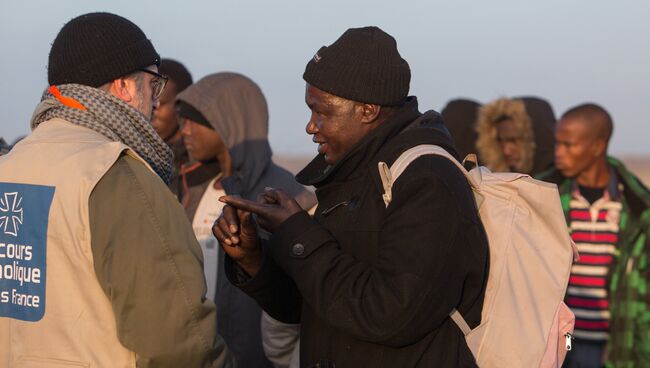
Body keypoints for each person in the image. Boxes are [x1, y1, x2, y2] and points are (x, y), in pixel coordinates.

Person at [213, 26, 489, 367]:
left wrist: (298, 232)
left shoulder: (427, 180)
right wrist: (252, 257)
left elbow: (389, 315)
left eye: (322, 112)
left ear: (367, 110)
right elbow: (318, 305)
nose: (310, 127)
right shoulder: (357, 175)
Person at [0, 13, 233, 368]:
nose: (156, 102)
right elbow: (176, 342)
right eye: (153, 85)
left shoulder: (12, 165)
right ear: (124, 86)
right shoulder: (116, 174)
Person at [175, 72, 316, 367]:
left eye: (192, 120)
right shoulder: (191, 189)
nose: (183, 130)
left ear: (228, 120)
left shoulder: (286, 196)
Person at [537, 103, 650, 367]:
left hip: (617, 342)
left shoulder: (636, 208)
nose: (558, 153)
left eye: (568, 145)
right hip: (567, 338)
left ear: (597, 146)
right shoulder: (545, 198)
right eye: (557, 144)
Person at [152, 58, 193, 195]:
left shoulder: (200, 161)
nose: (151, 112)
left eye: (160, 104)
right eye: (149, 101)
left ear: (181, 104)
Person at [475, 97, 537, 173]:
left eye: (513, 141)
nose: (506, 152)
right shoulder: (482, 179)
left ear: (528, 139)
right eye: (500, 142)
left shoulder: (549, 182)